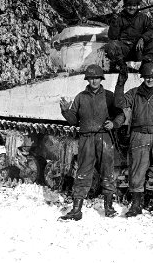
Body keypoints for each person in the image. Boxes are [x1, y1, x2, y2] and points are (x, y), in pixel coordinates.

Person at [59, 64, 125, 221]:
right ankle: (76, 210)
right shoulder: (80, 97)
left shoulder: (109, 96)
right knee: (82, 172)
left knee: (107, 172)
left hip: (104, 137)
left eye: (96, 78)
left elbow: (120, 115)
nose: (94, 81)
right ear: (87, 80)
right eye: (91, 78)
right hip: (86, 138)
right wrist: (66, 111)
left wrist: (114, 124)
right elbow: (74, 120)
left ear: (101, 79)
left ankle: (108, 207)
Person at [114, 63, 153, 218]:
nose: (150, 80)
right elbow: (119, 103)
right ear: (143, 78)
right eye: (147, 77)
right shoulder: (135, 93)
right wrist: (120, 83)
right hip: (139, 135)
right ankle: (136, 205)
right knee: (137, 171)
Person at [105, 0, 153, 72]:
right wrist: (114, 21)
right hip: (124, 51)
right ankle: (121, 66)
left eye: (134, 5)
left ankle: (146, 66)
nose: (132, 8)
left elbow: (151, 31)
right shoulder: (119, 18)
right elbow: (112, 36)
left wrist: (142, 39)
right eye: (129, 5)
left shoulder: (143, 18)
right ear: (125, 6)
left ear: (137, 6)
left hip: (138, 50)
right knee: (110, 45)